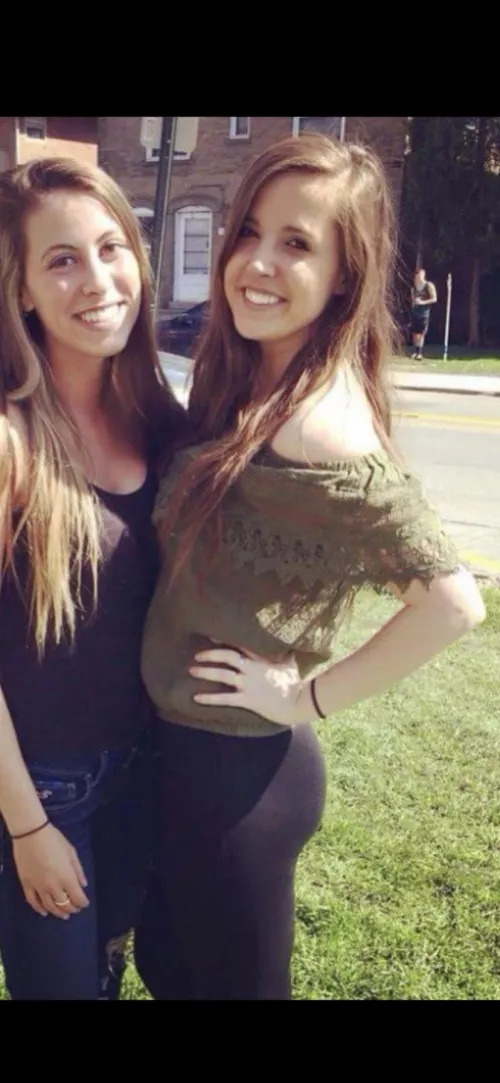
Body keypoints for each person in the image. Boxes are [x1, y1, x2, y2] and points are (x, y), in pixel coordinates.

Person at [133, 134, 485, 1001]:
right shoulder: (255, 383)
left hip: (239, 775)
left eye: (296, 243)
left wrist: (306, 698)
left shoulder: (319, 425)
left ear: (342, 278)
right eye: (249, 232)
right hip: (187, 758)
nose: (257, 263)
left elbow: (452, 602)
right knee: (172, 969)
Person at [0, 157, 184, 1000]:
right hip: (42, 789)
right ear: (22, 290)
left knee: (107, 975)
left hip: (141, 771)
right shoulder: (11, 442)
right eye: (62, 259)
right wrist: (27, 826)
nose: (100, 280)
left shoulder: (157, 417)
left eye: (112, 248)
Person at [410, 267, 437, 359]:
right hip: (415, 312)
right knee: (414, 332)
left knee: (421, 333)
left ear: (424, 275)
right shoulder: (413, 288)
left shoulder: (429, 285)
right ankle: (415, 351)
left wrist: (423, 302)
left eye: (420, 275)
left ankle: (419, 353)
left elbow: (434, 299)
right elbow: (412, 300)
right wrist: (415, 302)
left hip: (424, 313)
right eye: (417, 276)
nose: (418, 277)